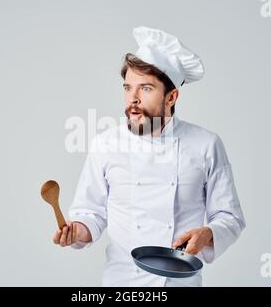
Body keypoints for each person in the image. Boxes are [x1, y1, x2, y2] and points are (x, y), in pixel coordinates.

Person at [52, 26, 246, 286]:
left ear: (171, 96)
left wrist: (208, 233)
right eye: (127, 87)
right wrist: (77, 231)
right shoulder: (106, 144)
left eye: (145, 89)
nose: (132, 99)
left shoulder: (206, 145)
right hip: (122, 284)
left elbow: (230, 216)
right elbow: (91, 212)